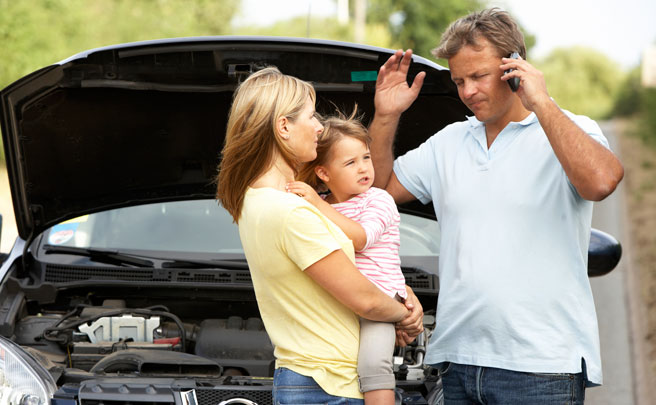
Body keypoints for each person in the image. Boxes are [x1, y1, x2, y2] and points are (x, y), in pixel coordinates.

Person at [368, 8, 624, 404]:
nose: (467, 91)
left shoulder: (570, 129)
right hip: (457, 365)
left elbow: (602, 181)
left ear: (515, 68)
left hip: (543, 368)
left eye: (478, 76)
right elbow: (375, 192)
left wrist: (542, 104)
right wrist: (386, 116)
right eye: (458, 81)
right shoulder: (448, 142)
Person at [216, 66, 424, 404]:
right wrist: (406, 315)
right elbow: (366, 300)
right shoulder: (292, 212)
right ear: (283, 126)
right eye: (311, 117)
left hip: (307, 378)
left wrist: (401, 291)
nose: (318, 127)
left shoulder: (256, 202)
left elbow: (354, 266)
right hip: (330, 386)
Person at [286, 111, 407, 405]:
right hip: (341, 304)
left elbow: (361, 238)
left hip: (380, 301)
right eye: (350, 162)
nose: (364, 167)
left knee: (373, 365)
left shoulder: (378, 200)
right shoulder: (320, 206)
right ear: (324, 174)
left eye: (365, 157)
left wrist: (315, 203)